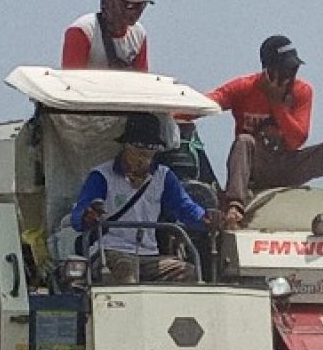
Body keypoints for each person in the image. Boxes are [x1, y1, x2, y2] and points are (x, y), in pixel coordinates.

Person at [207, 35, 323, 231]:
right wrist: (180, 110)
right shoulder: (244, 88)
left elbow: (296, 140)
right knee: (244, 140)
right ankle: (234, 208)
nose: (290, 76)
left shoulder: (302, 91)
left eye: (294, 69)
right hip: (256, 168)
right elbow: (209, 102)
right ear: (268, 69)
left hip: (288, 163)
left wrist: (276, 103)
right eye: (285, 70)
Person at [70, 113, 215, 285]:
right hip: (110, 251)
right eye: (138, 153)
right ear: (125, 147)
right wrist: (88, 216)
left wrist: (206, 218)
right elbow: (77, 217)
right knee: (127, 272)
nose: (142, 160)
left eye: (148, 154)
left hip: (150, 256)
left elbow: (185, 208)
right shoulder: (101, 176)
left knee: (189, 273)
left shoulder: (164, 176)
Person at [61, 0, 154, 72]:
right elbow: (71, 78)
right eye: (130, 5)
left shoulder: (138, 34)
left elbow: (142, 80)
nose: (136, 12)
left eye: (141, 6)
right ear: (113, 3)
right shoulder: (83, 30)